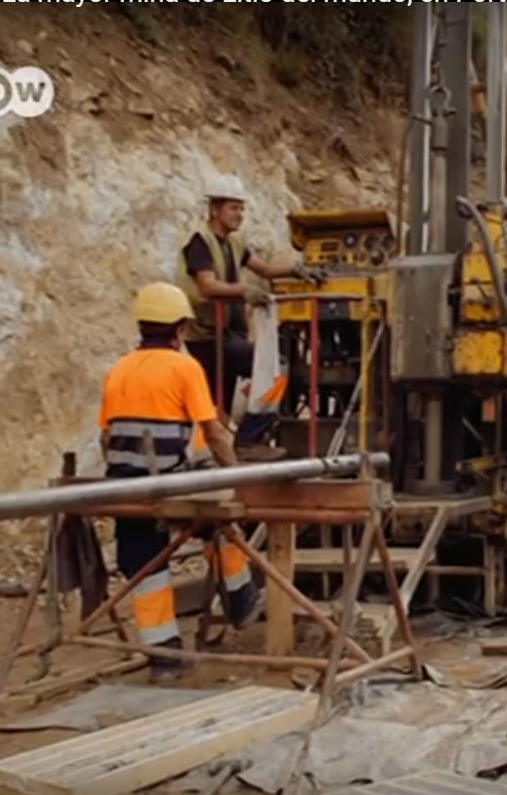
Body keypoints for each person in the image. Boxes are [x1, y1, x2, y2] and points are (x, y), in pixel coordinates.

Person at [98, 281, 261, 683]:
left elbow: (106, 437)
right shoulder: (185, 368)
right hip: (167, 483)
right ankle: (240, 598)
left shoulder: (117, 370)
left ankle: (164, 656)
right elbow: (216, 432)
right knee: (219, 522)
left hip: (123, 486)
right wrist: (238, 476)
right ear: (180, 330)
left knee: (143, 562)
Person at [174, 174, 324, 422]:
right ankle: (250, 437)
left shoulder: (234, 244)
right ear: (214, 209)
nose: (239, 214)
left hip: (228, 335)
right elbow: (207, 286)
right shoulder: (201, 242)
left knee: (218, 405)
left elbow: (263, 269)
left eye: (241, 208)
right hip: (208, 335)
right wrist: (244, 291)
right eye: (233, 208)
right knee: (272, 365)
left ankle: (230, 443)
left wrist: (295, 269)